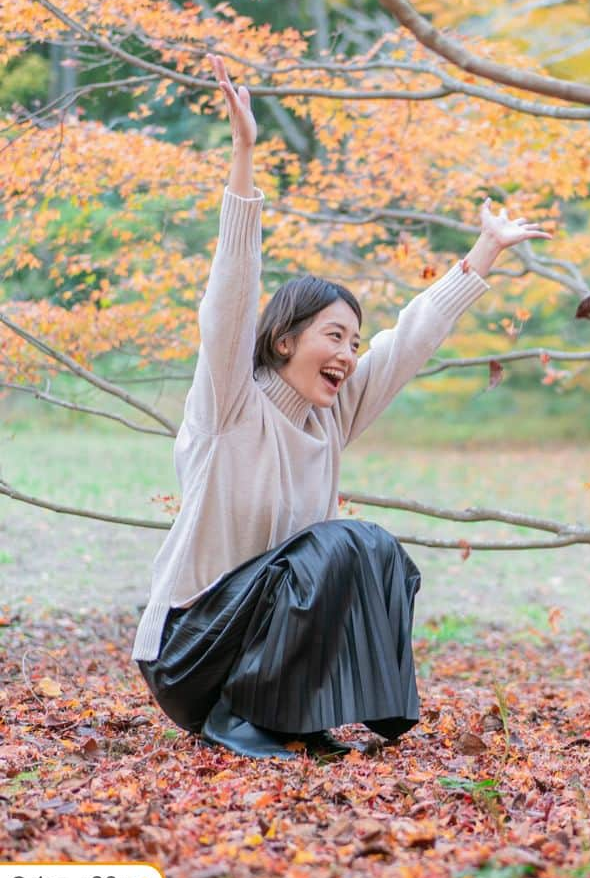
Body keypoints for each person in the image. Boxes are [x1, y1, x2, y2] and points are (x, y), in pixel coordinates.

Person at [132, 55, 551, 760]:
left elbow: (408, 341)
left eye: (353, 340)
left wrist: (483, 253)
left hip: (255, 640)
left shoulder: (330, 416)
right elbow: (231, 292)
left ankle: (295, 711)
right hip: (190, 650)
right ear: (284, 339)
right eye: (334, 336)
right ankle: (241, 716)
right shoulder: (229, 404)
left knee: (374, 550)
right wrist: (243, 155)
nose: (349, 353)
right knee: (339, 544)